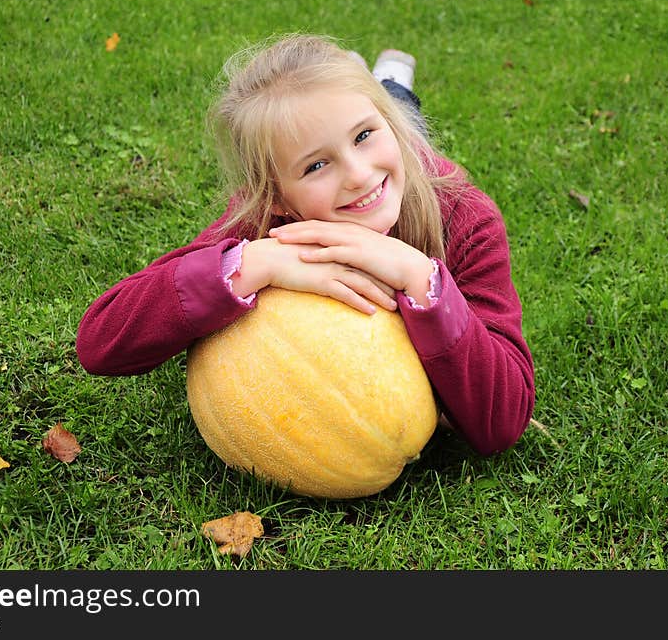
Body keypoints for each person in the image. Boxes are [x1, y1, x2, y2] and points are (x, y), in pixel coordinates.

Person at [76, 34, 535, 456]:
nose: (356, 173)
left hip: (404, 141)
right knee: (362, 119)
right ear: (276, 197)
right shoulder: (263, 221)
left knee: (398, 107)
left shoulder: (465, 219)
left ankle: (389, 85)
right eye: (316, 166)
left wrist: (421, 278)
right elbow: (100, 342)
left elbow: (504, 421)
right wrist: (254, 263)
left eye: (364, 135)